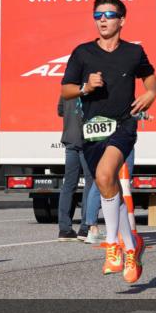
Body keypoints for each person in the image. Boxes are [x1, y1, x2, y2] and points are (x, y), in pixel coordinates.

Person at [61, 0, 156, 284]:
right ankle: (132, 246)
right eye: (97, 15)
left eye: (109, 14)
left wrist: (150, 93)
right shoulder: (82, 53)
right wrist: (85, 87)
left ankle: (113, 245)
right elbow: (65, 90)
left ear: (121, 20)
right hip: (92, 130)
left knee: (104, 175)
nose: (102, 19)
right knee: (107, 186)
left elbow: (149, 77)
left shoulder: (133, 52)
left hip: (123, 125)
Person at [57, 94, 94, 241]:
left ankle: (64, 229)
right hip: (87, 140)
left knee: (69, 184)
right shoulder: (90, 88)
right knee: (90, 183)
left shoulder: (67, 90)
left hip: (70, 139)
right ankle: (85, 228)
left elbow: (60, 111)